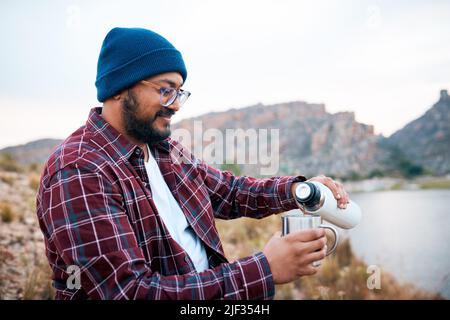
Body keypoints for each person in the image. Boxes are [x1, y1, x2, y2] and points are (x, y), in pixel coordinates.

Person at [36, 27, 350, 300]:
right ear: (120, 88)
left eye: (179, 92)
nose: (175, 106)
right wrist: (264, 269)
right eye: (165, 90)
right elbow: (130, 292)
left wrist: (299, 190)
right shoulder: (78, 171)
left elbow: (228, 192)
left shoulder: (164, 149)